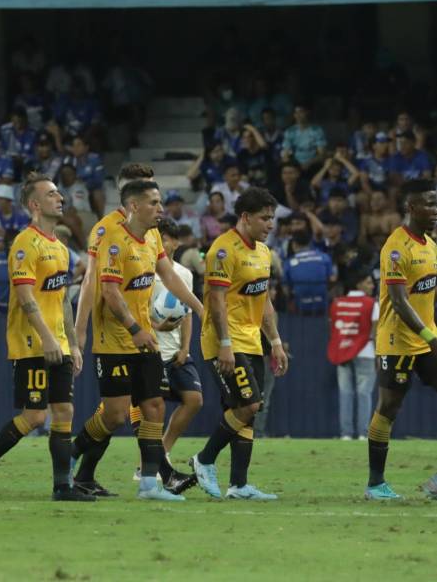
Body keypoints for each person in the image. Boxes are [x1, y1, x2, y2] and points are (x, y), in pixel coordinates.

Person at [0, 173, 91, 501]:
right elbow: (25, 297)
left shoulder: (61, 249)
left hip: (59, 343)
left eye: (59, 193)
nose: (60, 198)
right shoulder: (25, 243)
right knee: (35, 416)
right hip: (31, 343)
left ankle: (62, 486)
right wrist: (48, 339)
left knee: (64, 412)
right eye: (52, 194)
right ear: (35, 204)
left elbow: (62, 298)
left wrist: (72, 343)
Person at [71, 180, 193, 501]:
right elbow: (108, 291)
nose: (160, 208)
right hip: (115, 342)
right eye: (154, 202)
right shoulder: (112, 239)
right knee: (114, 415)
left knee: (154, 407)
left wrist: (200, 307)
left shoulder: (153, 237)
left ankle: (149, 484)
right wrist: (132, 328)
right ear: (134, 206)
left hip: (146, 341)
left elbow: (169, 277)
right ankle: (71, 453)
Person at [190, 187, 288, 501]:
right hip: (223, 341)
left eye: (272, 218)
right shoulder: (223, 250)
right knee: (250, 405)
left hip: (251, 340)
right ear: (245, 217)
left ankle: (239, 484)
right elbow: (216, 302)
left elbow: (265, 301)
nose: (270, 224)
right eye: (264, 218)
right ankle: (204, 460)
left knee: (243, 411)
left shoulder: (263, 252)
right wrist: (225, 344)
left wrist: (275, 341)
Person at [366, 179, 437, 500]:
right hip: (397, 341)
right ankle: (376, 483)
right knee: (389, 408)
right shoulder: (396, 247)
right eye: (428, 204)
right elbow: (398, 300)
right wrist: (428, 335)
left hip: (427, 338)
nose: (435, 211)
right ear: (411, 208)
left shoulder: (430, 244)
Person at [148, 220, 202, 490]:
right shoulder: (146, 272)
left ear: (176, 242)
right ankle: (148, 466)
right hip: (151, 350)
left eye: (167, 238)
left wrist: (185, 348)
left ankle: (163, 453)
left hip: (176, 352)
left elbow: (188, 314)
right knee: (153, 411)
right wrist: (156, 326)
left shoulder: (184, 274)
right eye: (159, 238)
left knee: (194, 400)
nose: (163, 243)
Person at [327, 271, 377, 441]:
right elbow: (376, 331)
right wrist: (379, 354)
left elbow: (333, 328)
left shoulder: (337, 303)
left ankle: (346, 434)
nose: (372, 286)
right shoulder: (371, 304)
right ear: (359, 284)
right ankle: (363, 434)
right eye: (369, 282)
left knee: (345, 393)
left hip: (342, 351)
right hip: (366, 351)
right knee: (364, 393)